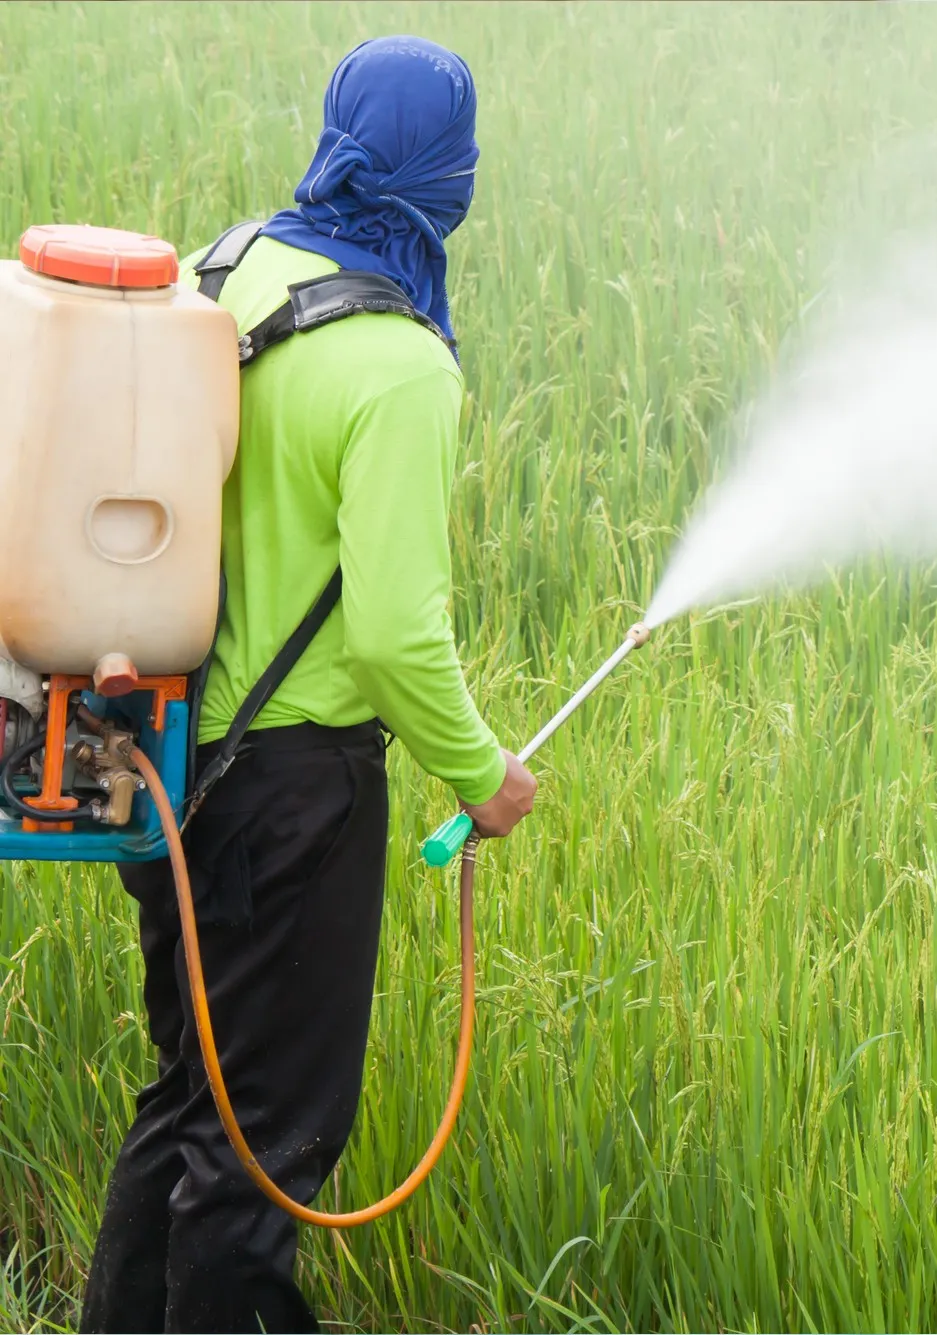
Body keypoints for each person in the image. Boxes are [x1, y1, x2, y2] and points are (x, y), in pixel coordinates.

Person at [78, 36, 537, 1334]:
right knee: (265, 1143)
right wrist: (479, 773)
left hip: (159, 756)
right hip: (294, 794)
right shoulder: (401, 366)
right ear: (442, 176)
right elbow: (396, 635)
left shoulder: (226, 266)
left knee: (188, 1096)